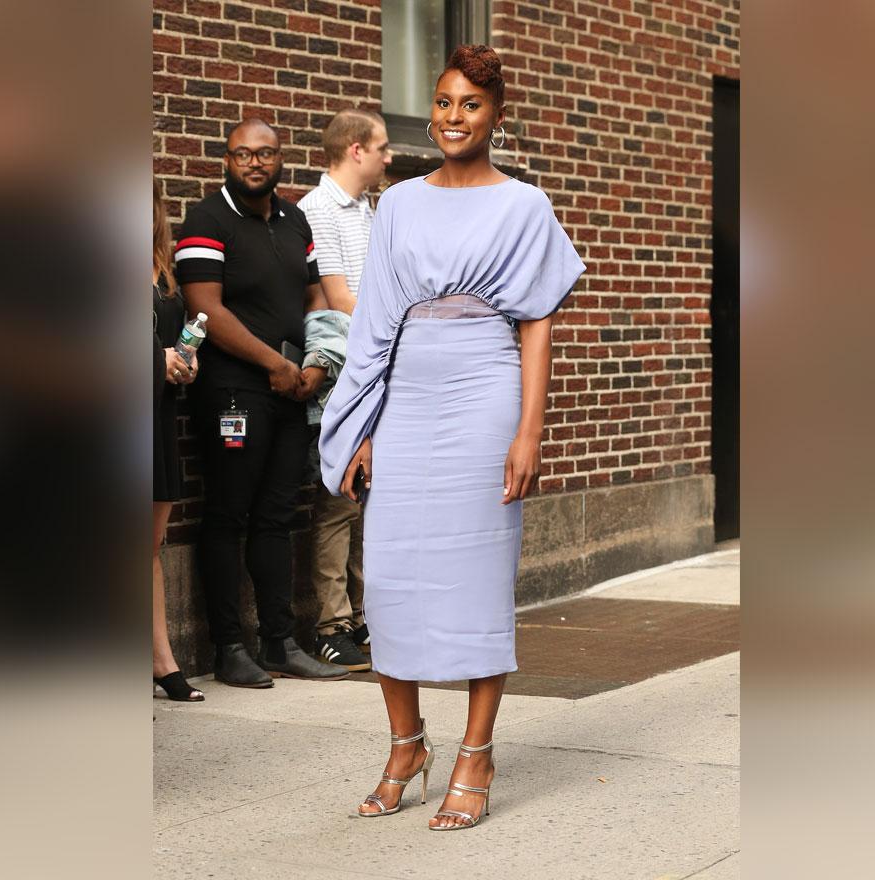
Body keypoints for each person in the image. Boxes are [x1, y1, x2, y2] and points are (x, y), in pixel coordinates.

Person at [319, 46, 586, 829]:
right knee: (392, 575)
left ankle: (476, 753)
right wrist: (360, 426)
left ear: (497, 115)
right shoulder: (397, 204)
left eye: (470, 104)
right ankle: (407, 744)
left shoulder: (525, 206)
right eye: (442, 103)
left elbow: (536, 324)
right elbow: (371, 324)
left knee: (476, 573)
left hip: (483, 388)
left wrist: (528, 431)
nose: (452, 117)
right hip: (407, 391)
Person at [177, 118, 348, 688]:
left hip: (292, 387)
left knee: (278, 516)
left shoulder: (296, 220)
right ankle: (229, 647)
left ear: (281, 159)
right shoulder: (207, 219)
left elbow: (315, 294)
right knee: (228, 514)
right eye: (242, 154)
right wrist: (273, 364)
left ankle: (278, 641)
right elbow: (205, 308)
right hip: (233, 389)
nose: (255, 162)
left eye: (266, 153)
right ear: (226, 160)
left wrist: (319, 360)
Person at [296, 108, 393, 672]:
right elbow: (338, 299)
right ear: (355, 149)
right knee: (337, 499)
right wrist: (396, 331)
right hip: (344, 371)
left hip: (376, 362)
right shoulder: (317, 211)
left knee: (366, 499)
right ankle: (331, 626)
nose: (388, 157)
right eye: (381, 147)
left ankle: (360, 617)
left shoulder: (369, 209)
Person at [152, 179, 204, 702]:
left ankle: (160, 659)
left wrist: (185, 362)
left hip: (159, 415)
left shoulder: (163, 268)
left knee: (149, 545)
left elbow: (177, 334)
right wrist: (154, 361)